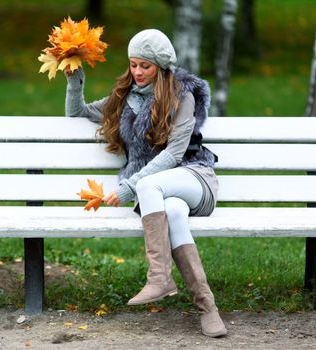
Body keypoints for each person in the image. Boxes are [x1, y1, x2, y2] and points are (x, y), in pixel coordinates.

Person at [65, 29, 227, 338]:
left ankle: (159, 278)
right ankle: (208, 307)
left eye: (145, 66)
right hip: (162, 197)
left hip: (194, 177)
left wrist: (128, 188)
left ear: (161, 66)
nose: (137, 72)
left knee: (149, 186)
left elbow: (175, 154)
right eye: (133, 64)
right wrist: (75, 81)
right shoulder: (124, 99)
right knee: (174, 214)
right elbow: (78, 113)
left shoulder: (183, 95)